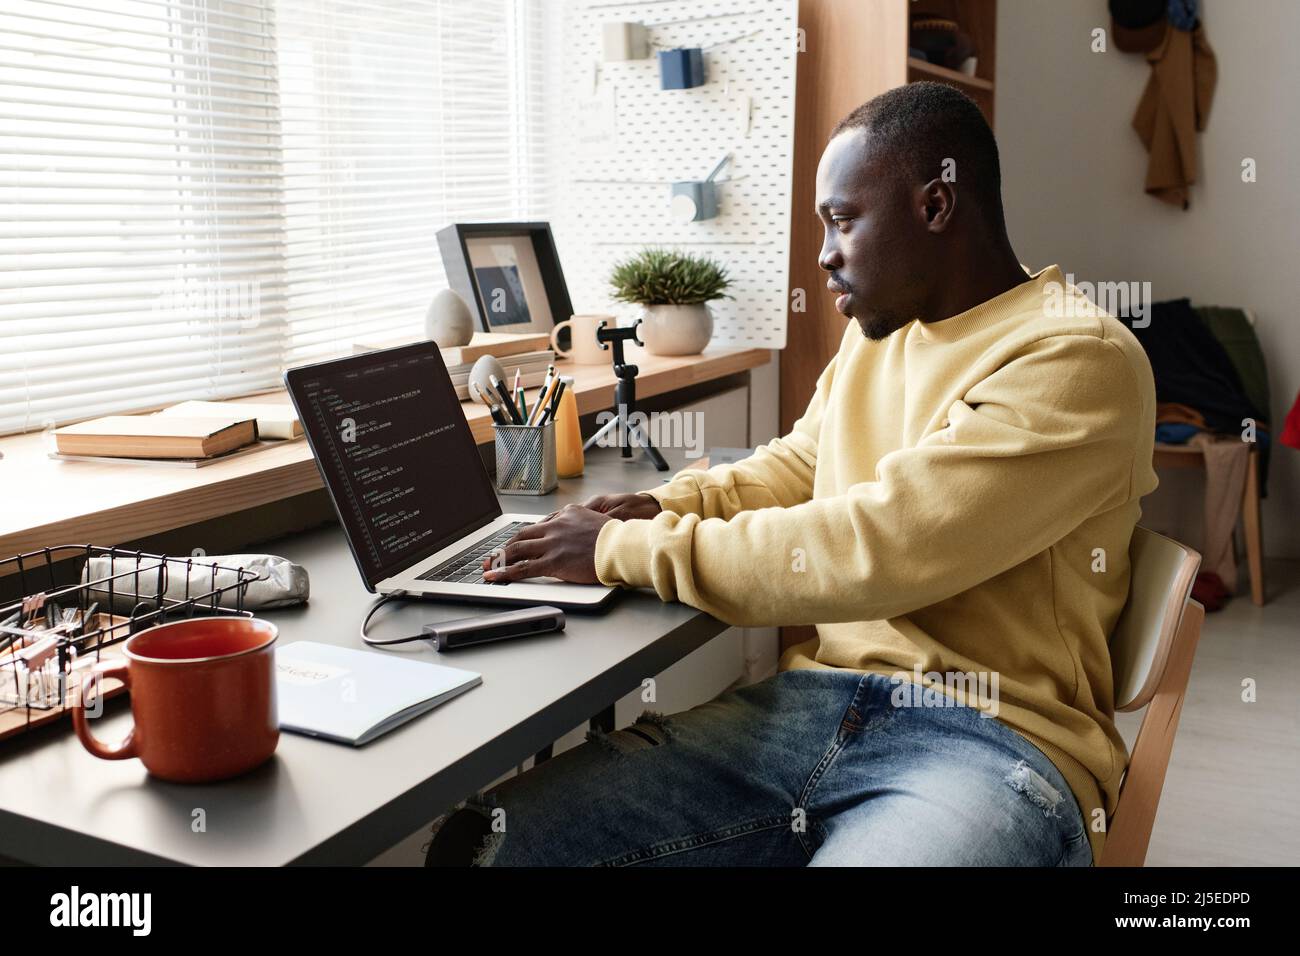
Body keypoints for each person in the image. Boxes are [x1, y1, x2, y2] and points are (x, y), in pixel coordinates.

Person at [428, 81, 1157, 867]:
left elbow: (880, 546)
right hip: (810, 711)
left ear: (936, 206)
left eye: (842, 221)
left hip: (990, 742)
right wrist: (654, 507)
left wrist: (621, 553)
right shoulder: (885, 329)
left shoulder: (1076, 357)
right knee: (488, 846)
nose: (824, 255)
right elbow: (805, 465)